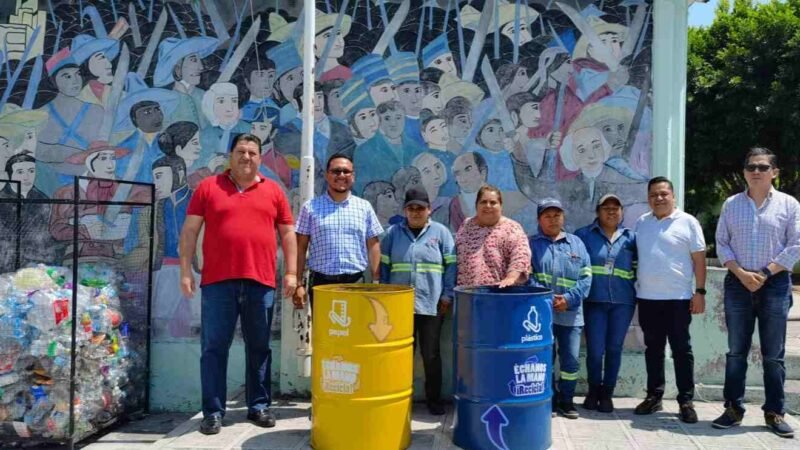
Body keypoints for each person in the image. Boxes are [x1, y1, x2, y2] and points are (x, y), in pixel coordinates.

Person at [178, 134, 298, 435]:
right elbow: (190, 231)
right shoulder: (208, 188)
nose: (247, 157)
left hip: (261, 282)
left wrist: (291, 273)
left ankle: (258, 406)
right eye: (241, 151)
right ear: (230, 155)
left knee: (259, 347)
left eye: (253, 152)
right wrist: (185, 271)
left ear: (260, 157)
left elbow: (287, 234)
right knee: (214, 348)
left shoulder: (273, 191)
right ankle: (213, 412)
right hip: (218, 283)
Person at [712, 148, 800, 438]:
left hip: (774, 284)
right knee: (736, 351)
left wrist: (763, 274)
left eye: (763, 167)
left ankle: (774, 412)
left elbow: (795, 245)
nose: (756, 171)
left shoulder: (790, 205)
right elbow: (722, 243)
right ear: (744, 171)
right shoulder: (731, 204)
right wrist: (741, 273)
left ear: (774, 172)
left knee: (773, 354)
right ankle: (733, 409)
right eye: (751, 166)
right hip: (738, 283)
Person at [634, 176, 706, 424]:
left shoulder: (688, 222)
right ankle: (654, 396)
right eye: (654, 194)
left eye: (664, 193)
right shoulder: (642, 223)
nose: (659, 198)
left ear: (673, 196)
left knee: (681, 350)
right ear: (648, 198)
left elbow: (699, 259)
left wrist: (700, 292)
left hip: (678, 299)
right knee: (652, 350)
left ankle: (686, 400)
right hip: (647, 299)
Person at [379, 187, 456, 415]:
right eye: (411, 208)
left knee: (431, 354)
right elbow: (384, 268)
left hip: (432, 305)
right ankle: (400, 399)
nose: (415, 212)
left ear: (429, 210)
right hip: (399, 306)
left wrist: (447, 295)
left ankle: (434, 400)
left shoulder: (441, 233)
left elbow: (451, 266)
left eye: (420, 208)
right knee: (401, 354)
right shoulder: (392, 234)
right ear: (405, 210)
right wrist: (384, 298)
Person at [293, 154, 383, 308]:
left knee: (355, 331)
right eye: (336, 171)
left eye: (346, 171)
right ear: (327, 175)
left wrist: (376, 281)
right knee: (324, 331)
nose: (341, 175)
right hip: (322, 284)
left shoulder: (364, 207)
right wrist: (298, 284)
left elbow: (373, 245)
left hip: (355, 283)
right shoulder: (310, 208)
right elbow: (300, 248)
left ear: (353, 176)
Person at [529, 199, 592, 419]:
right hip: (542, 314)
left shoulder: (576, 244)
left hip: (571, 313)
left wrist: (568, 298)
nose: (553, 219)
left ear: (563, 217)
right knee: (545, 358)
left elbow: (586, 277)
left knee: (571, 359)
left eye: (557, 215)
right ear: (539, 219)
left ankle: (567, 400)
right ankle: (550, 400)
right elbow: (528, 276)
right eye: (547, 215)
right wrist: (547, 298)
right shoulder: (531, 244)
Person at [575, 194, 637, 413]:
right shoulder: (583, 235)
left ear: (621, 212)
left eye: (616, 208)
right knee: (594, 350)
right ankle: (593, 391)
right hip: (594, 302)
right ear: (597, 211)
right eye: (606, 208)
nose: (611, 211)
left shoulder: (631, 238)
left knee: (614, 349)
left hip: (623, 302)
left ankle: (607, 394)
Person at [455, 185, 530, 287]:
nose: (488, 206)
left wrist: (511, 278)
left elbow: (521, 256)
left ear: (501, 206)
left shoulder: (512, 228)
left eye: (493, 202)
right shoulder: (466, 226)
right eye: (483, 202)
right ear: (476, 205)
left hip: (497, 295)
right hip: (467, 295)